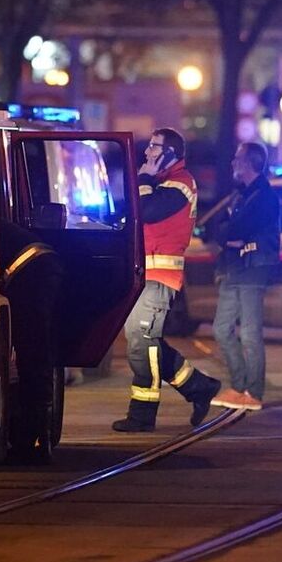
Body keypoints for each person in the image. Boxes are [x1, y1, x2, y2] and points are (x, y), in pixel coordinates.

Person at [113, 128, 223, 432]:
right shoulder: (161, 182)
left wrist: (144, 178)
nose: (147, 151)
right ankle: (199, 387)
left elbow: (148, 211)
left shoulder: (180, 183)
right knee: (147, 342)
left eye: (155, 147)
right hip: (146, 275)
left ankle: (142, 414)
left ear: (171, 154)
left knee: (142, 344)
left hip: (158, 277)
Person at [210, 142, 279, 411]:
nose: (232, 163)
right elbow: (219, 229)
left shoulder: (264, 197)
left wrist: (229, 234)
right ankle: (238, 386)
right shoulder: (240, 194)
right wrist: (227, 236)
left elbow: (238, 229)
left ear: (249, 163)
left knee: (250, 332)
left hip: (253, 267)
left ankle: (254, 391)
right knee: (221, 329)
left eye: (237, 158)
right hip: (234, 268)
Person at [0, 219, 68, 461]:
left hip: (32, 273)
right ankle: (36, 439)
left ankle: (34, 442)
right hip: (40, 267)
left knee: (33, 355)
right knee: (35, 354)